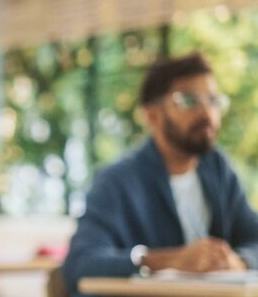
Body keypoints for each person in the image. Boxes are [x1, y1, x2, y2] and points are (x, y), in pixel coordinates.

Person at [63, 53, 258, 295]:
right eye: (188, 100)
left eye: (213, 100)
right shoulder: (116, 182)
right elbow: (80, 264)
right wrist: (165, 261)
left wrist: (238, 261)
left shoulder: (217, 170)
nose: (207, 113)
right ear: (152, 115)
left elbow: (254, 238)